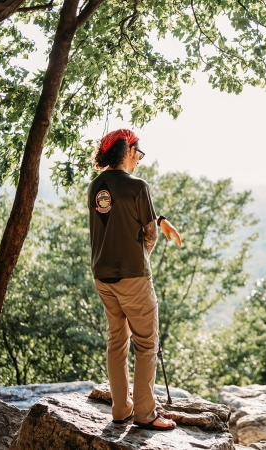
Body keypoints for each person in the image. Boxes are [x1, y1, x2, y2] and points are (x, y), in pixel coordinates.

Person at [88, 128, 181, 431]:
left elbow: (115, 222)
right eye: (138, 153)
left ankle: (120, 409)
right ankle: (145, 413)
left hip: (103, 276)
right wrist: (144, 253)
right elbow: (148, 232)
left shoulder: (95, 186)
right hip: (133, 277)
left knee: (117, 341)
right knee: (146, 343)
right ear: (128, 152)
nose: (139, 160)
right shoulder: (138, 186)